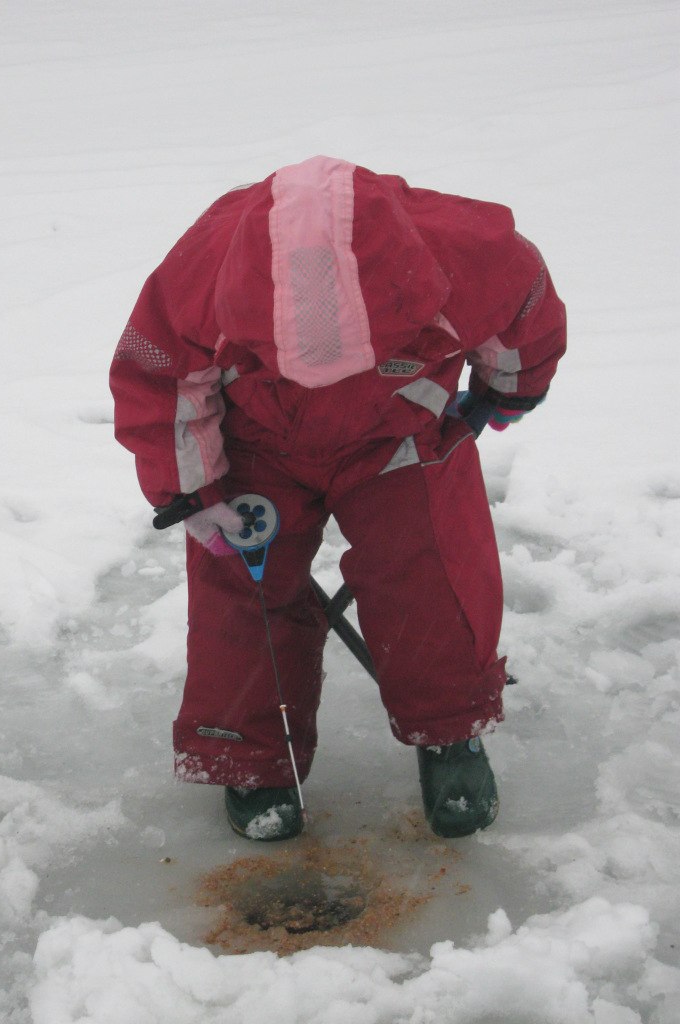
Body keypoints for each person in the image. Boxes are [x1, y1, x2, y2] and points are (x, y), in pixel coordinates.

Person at [110, 155, 566, 842]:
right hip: (257, 443)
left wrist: (508, 391)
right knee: (242, 589)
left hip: (398, 431)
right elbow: (163, 383)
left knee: (430, 568)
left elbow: (525, 317)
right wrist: (192, 491)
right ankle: (250, 755)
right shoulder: (201, 269)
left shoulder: (470, 252)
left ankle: (450, 729)